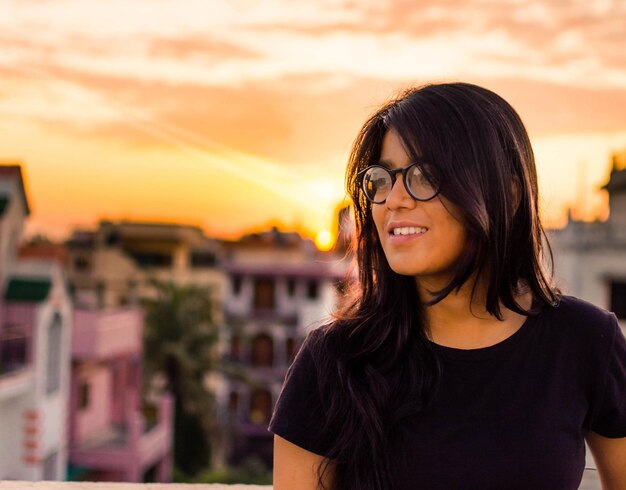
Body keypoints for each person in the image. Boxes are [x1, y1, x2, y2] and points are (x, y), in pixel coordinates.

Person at [269, 82, 626, 490]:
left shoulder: (586, 342)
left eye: (425, 175)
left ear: (506, 194)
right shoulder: (333, 361)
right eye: (382, 179)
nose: (394, 199)